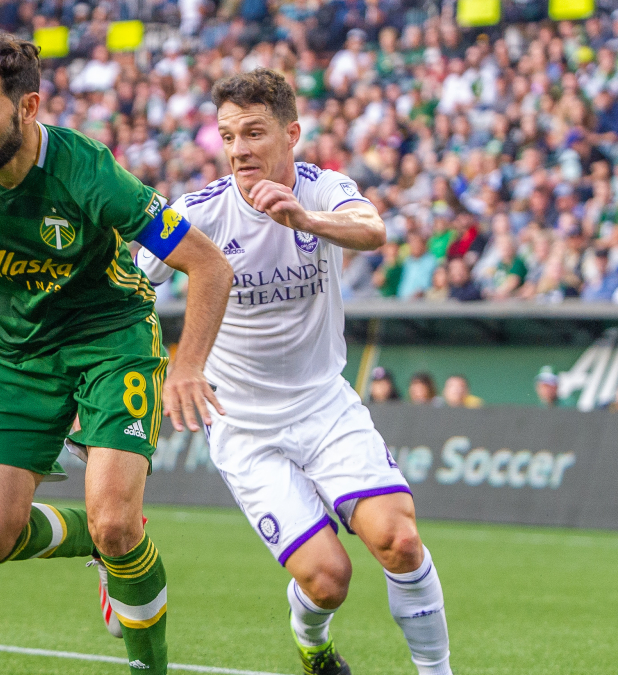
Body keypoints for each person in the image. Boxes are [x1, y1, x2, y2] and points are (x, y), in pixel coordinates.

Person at [0, 32, 231, 675]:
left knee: (120, 524)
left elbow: (208, 266)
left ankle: (145, 661)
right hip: (10, 352)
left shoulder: (89, 173)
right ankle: (93, 543)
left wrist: (189, 364)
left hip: (109, 341)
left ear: (29, 107)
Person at [139, 69, 453, 675]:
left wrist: (304, 221)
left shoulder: (325, 189)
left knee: (401, 542)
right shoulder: (197, 212)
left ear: (292, 134)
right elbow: (127, 284)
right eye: (228, 136)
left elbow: (373, 230)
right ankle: (313, 642)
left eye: (254, 133)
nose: (239, 150)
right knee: (329, 579)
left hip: (324, 407)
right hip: (244, 428)